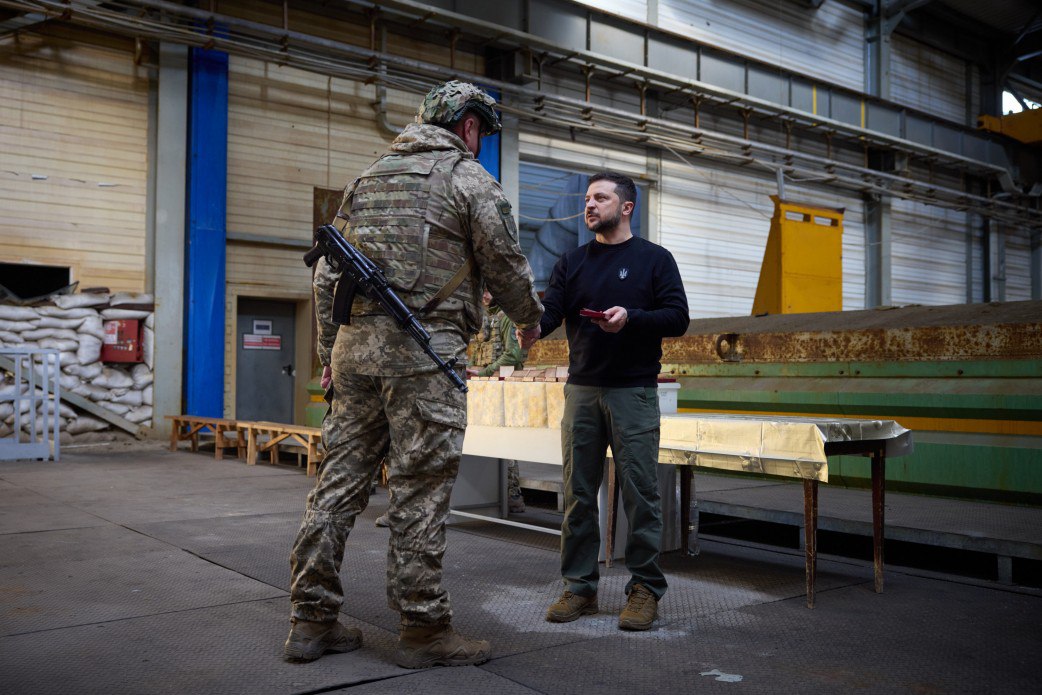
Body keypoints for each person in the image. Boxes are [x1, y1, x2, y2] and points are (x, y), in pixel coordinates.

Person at [286, 80, 543, 668]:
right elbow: (504, 263)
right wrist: (529, 320)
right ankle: (423, 629)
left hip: (353, 355)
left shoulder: (366, 180)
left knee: (335, 489)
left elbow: (325, 275)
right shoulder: (468, 179)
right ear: (469, 126)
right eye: (480, 132)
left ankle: (310, 620)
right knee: (419, 493)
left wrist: (329, 352)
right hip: (424, 358)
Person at [520, 172, 689, 631]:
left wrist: (630, 317)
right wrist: (532, 328)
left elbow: (677, 317)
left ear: (626, 207)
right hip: (582, 391)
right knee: (577, 493)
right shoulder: (572, 262)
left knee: (640, 494)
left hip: (633, 391)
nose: (590, 205)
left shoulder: (655, 260)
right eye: (588, 199)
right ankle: (579, 587)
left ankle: (644, 589)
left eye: (601, 198)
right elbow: (552, 312)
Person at [466, 288, 528, 513]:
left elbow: (513, 354)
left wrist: (484, 372)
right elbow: (477, 351)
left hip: (504, 387)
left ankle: (512, 493)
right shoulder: (481, 316)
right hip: (484, 388)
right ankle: (488, 493)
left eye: (488, 289)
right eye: (481, 288)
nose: (484, 294)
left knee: (506, 441)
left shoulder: (507, 317)